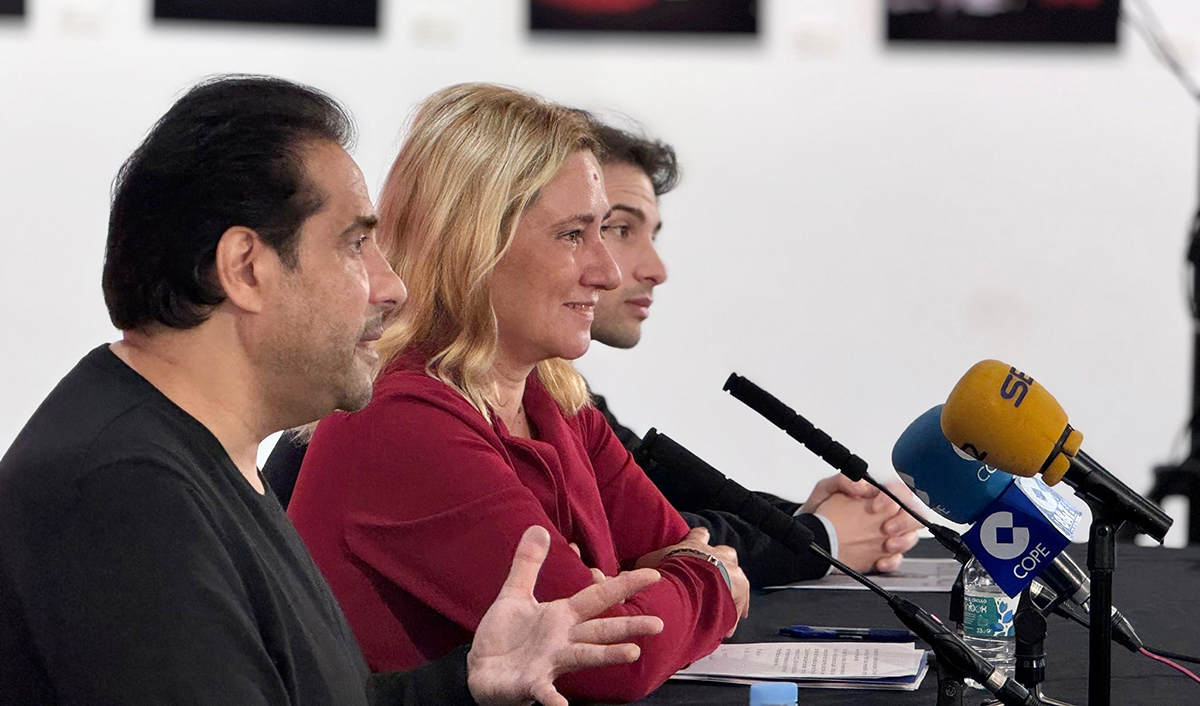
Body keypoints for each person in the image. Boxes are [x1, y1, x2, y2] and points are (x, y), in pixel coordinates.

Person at [0, 75, 666, 706]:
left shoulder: (198, 459)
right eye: (354, 245)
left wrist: (468, 680)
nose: (391, 285)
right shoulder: (128, 491)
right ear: (245, 268)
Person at [289, 83, 748, 703]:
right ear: (475, 242)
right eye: (572, 235)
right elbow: (616, 660)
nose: (607, 272)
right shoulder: (401, 418)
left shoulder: (551, 399)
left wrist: (673, 572)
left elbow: (664, 552)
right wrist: (709, 573)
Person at [586, 121, 924, 587]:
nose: (657, 269)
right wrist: (821, 537)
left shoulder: (559, 387)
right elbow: (631, 539)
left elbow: (648, 489)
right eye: (620, 229)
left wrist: (806, 519)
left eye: (652, 235)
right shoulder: (478, 392)